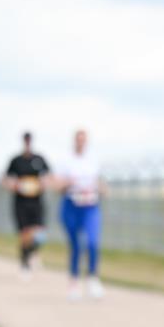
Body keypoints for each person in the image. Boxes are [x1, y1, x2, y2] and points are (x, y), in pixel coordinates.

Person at [56, 129, 106, 300]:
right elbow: (58, 187)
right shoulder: (66, 161)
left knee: (92, 242)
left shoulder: (93, 161)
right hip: (71, 205)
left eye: (83, 140)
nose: (81, 142)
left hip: (90, 205)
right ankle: (74, 281)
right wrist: (68, 183)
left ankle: (93, 278)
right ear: (74, 141)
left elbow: (101, 184)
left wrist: (100, 188)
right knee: (76, 244)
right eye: (78, 139)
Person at [3, 132, 52, 278]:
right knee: (24, 233)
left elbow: (49, 176)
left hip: (36, 201)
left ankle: (34, 252)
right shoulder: (16, 160)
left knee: (39, 233)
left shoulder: (39, 159)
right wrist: (14, 185)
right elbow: (6, 179)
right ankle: (24, 263)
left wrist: (44, 184)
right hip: (21, 202)